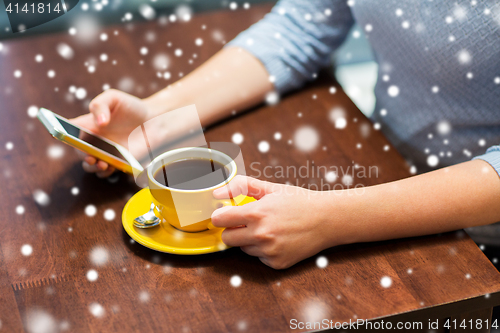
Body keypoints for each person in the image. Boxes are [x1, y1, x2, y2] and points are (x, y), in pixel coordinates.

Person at [72, 0, 500, 269]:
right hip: (385, 165)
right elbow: (302, 26)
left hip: (477, 242)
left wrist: (332, 219)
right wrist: (157, 117)